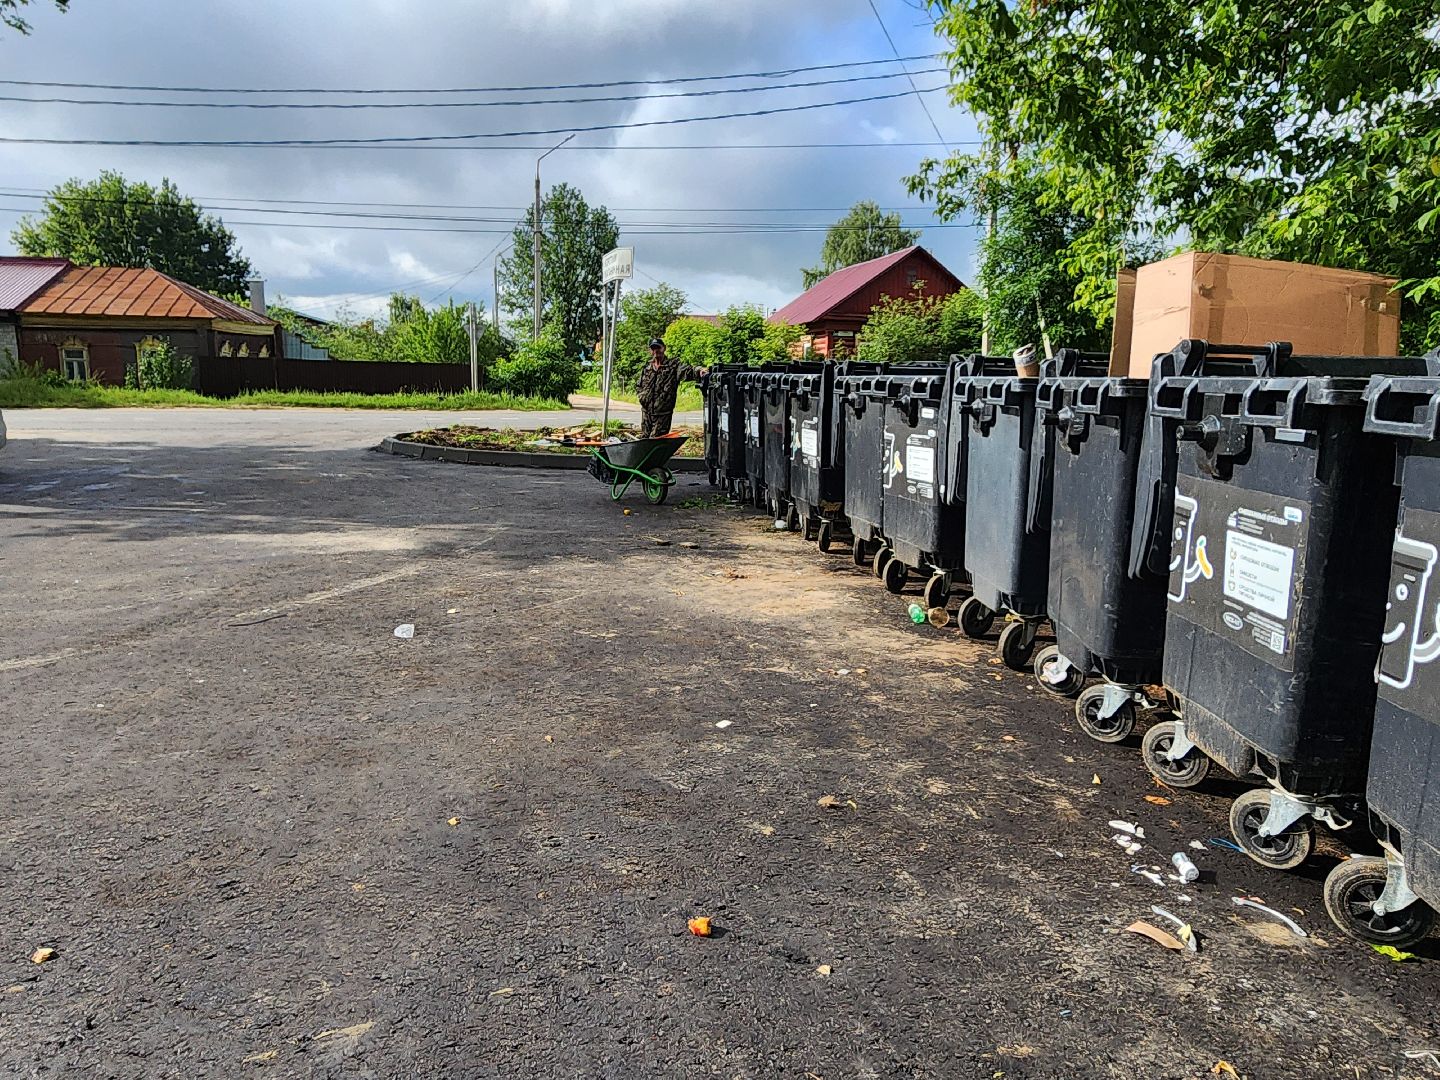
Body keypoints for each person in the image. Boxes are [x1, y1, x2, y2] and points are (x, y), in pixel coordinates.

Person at [636, 337, 706, 438]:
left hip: (663, 414)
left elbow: (687, 370)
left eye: (658, 348)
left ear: (664, 348)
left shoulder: (673, 366)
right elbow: (639, 385)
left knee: (657, 441)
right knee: (644, 439)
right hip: (646, 413)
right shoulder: (647, 367)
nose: (656, 351)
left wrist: (699, 370)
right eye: (653, 348)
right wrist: (642, 397)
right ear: (650, 351)